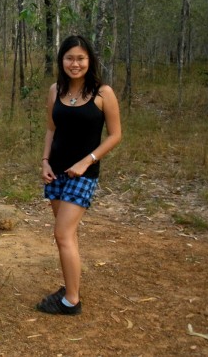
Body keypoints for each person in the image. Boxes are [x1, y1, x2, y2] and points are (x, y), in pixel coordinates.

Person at [37, 35, 122, 315]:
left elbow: (115, 135)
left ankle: (71, 301)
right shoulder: (55, 91)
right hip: (57, 172)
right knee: (68, 237)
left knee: (62, 233)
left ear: (90, 61)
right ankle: (70, 288)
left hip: (82, 175)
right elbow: (52, 129)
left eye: (81, 58)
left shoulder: (102, 93)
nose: (75, 64)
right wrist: (45, 161)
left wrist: (87, 161)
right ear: (62, 61)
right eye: (70, 58)